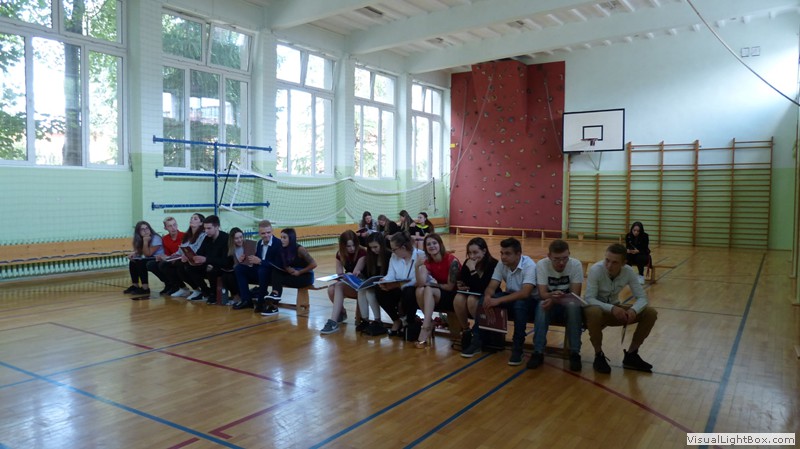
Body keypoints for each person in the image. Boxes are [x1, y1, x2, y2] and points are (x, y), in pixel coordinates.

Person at [584, 243, 659, 373]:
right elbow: (589, 299)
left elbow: (642, 298)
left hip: (615, 309)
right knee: (594, 312)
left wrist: (633, 310)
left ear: (624, 263)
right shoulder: (596, 270)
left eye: (615, 262)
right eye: (607, 260)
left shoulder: (628, 271)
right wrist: (611, 308)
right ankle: (598, 355)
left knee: (650, 313)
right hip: (596, 309)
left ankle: (632, 354)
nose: (609, 265)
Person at [461, 238, 536, 365]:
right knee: (483, 300)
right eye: (502, 253)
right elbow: (491, 286)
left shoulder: (529, 265)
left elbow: (525, 293)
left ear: (518, 254)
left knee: (519, 305)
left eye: (507, 253)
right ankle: (477, 342)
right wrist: (488, 297)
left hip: (529, 300)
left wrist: (498, 300)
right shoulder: (502, 264)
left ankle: (517, 348)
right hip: (510, 296)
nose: (503, 257)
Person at [529, 239, 584, 371]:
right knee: (542, 306)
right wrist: (553, 298)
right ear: (549, 256)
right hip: (550, 303)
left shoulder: (575, 264)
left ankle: (575, 352)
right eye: (557, 259)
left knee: (573, 307)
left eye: (565, 258)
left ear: (569, 254)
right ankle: (538, 351)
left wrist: (554, 299)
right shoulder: (542, 265)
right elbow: (542, 294)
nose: (561, 263)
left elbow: (575, 295)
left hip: (566, 304)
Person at [453, 237, 499, 356]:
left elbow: (483, 287)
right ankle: (466, 331)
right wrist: (461, 285)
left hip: (488, 296)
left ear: (484, 251)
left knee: (472, 300)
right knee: (458, 298)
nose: (472, 256)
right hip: (473, 293)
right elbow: (463, 280)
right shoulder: (468, 263)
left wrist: (473, 270)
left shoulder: (493, 264)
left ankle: (481, 333)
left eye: (475, 252)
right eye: (469, 253)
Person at [413, 233, 460, 348]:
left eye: (434, 243)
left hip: (456, 295)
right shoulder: (428, 261)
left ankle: (426, 327)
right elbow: (421, 283)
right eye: (428, 244)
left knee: (428, 288)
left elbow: (450, 287)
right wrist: (416, 267)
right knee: (420, 290)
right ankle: (429, 323)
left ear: (440, 244)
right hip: (441, 292)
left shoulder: (452, 260)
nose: (432, 246)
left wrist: (433, 284)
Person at [262, 228, 317, 316]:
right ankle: (275, 296)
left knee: (278, 279)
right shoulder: (282, 249)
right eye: (281, 237)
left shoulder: (300, 249)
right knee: (276, 272)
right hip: (294, 274)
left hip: (305, 276)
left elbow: (313, 264)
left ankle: (274, 302)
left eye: (284, 238)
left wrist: (300, 272)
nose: (282, 240)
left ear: (291, 238)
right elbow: (284, 264)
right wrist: (287, 268)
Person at [377, 232, 423, 336]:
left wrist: (399, 285)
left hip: (413, 290)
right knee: (379, 290)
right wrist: (384, 280)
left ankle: (409, 322)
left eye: (394, 249)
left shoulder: (420, 255)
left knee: (408, 292)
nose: (392, 251)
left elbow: (417, 280)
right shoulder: (394, 256)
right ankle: (396, 320)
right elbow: (391, 274)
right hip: (398, 288)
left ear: (403, 247)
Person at [321, 230, 366, 335]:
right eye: (348, 246)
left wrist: (347, 277)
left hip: (361, 285)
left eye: (353, 245)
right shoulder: (340, 254)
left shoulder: (362, 252)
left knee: (339, 285)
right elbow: (339, 274)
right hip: (349, 284)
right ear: (343, 246)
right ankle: (341, 312)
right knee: (331, 289)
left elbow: (355, 274)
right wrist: (343, 276)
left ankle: (333, 321)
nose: (352, 248)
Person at [177, 215, 228, 303]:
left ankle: (213, 293)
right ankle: (205, 290)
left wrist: (206, 260)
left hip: (221, 266)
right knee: (187, 266)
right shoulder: (207, 238)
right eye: (205, 228)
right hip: (208, 263)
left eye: (209, 228)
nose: (206, 231)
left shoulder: (226, 238)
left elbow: (225, 261)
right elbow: (200, 252)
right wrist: (190, 257)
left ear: (217, 227)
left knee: (211, 269)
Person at [232, 220, 282, 311]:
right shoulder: (259, 243)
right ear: (259, 233)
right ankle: (246, 300)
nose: (266, 235)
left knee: (262, 270)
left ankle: (261, 301)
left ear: (272, 231)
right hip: (259, 271)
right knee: (239, 268)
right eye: (263, 233)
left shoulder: (278, 243)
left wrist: (261, 262)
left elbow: (278, 265)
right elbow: (257, 260)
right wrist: (247, 260)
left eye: (268, 232)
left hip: (272, 274)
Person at [356, 233, 391, 335]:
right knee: (361, 290)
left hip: (387, 286)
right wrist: (360, 275)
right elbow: (368, 275)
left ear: (382, 245)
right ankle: (365, 319)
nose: (373, 250)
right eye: (371, 248)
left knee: (369, 292)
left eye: (375, 247)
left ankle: (377, 320)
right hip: (376, 285)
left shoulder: (389, 255)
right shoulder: (370, 257)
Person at [170, 213, 206, 298]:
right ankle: (182, 288)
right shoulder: (187, 235)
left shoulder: (203, 235)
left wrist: (187, 256)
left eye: (195, 218)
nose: (192, 220)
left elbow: (198, 250)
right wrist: (175, 255)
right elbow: (181, 249)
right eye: (191, 218)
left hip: (196, 259)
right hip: (185, 258)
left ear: (201, 223)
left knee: (181, 266)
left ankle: (198, 289)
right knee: (165, 265)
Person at [124, 221, 164, 297]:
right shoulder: (140, 239)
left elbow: (148, 254)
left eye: (147, 228)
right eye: (142, 229)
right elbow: (141, 250)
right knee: (133, 261)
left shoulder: (156, 238)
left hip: (159, 258)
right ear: (138, 232)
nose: (145, 231)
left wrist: (145, 241)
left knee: (141, 262)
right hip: (151, 258)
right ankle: (135, 285)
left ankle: (145, 288)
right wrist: (134, 253)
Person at [146, 216, 184, 295]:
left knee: (163, 265)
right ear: (165, 228)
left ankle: (178, 286)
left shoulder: (184, 236)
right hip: (171, 259)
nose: (173, 228)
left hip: (182, 259)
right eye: (170, 226)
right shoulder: (165, 239)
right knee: (151, 264)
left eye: (174, 225)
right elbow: (167, 254)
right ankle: (169, 284)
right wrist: (162, 257)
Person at [219, 227, 248, 305]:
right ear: (232, 240)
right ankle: (236, 296)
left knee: (232, 276)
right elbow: (229, 263)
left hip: (247, 269)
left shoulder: (248, 245)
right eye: (236, 238)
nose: (239, 240)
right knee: (225, 275)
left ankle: (240, 296)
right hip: (236, 269)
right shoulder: (231, 249)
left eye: (241, 237)